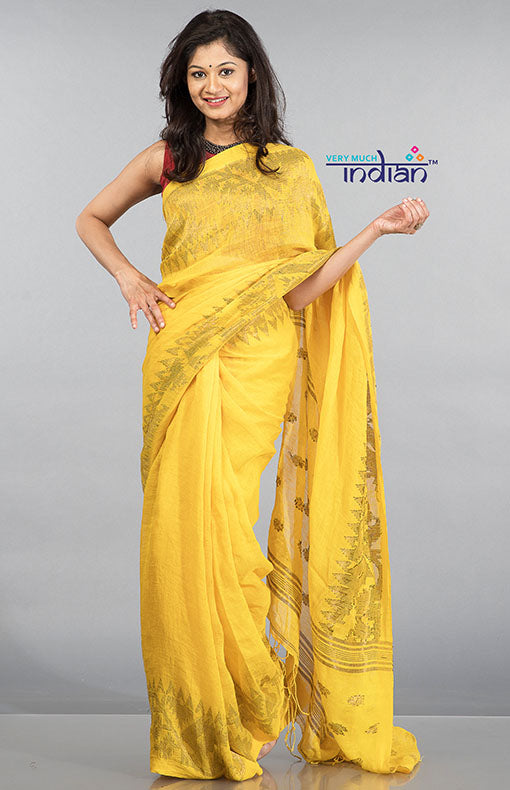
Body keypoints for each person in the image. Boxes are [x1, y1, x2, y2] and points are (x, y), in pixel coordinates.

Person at [75, 8, 429, 783]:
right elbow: (91, 218)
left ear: (253, 76)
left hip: (257, 362)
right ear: (182, 83)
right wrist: (130, 277)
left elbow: (300, 291)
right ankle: (203, 722)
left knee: (230, 536)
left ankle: (250, 704)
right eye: (197, 73)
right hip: (183, 359)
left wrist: (372, 230)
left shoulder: (291, 170)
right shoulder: (168, 159)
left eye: (225, 71)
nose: (212, 85)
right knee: (181, 534)